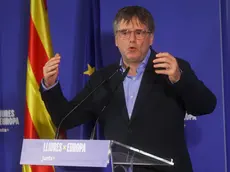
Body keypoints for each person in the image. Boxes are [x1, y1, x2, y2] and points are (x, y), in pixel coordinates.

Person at [40, 5, 216, 172]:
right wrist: (50, 85)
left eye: (139, 32)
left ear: (151, 37)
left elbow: (206, 106)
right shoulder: (103, 78)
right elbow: (66, 118)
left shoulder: (172, 69)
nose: (132, 39)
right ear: (116, 40)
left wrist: (179, 79)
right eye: (124, 33)